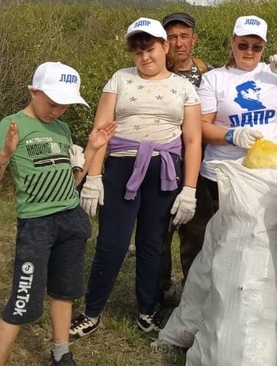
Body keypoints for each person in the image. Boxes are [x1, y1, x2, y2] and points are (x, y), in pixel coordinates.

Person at [70, 17, 202, 339]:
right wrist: (95, 177)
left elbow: (193, 140)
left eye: (151, 49)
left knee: (152, 244)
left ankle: (147, 310)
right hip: (121, 167)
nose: (145, 58)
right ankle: (92, 311)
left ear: (165, 46)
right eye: (138, 51)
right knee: (111, 243)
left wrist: (189, 189)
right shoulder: (120, 79)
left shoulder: (184, 88)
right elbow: (101, 129)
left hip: (163, 171)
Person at [0, 61, 116, 366]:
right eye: (52, 103)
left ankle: (61, 352)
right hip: (36, 225)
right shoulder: (12, 124)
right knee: (22, 300)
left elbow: (73, 182)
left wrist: (93, 149)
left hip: (70, 220)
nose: (56, 111)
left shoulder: (62, 129)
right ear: (33, 91)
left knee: (64, 291)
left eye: (64, 106)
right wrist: (5, 154)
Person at [197, 14, 277, 208]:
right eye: (243, 45)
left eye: (256, 47)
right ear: (233, 43)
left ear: (263, 48)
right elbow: (201, 126)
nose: (249, 51)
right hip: (226, 176)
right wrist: (232, 135)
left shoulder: (274, 74)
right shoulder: (214, 79)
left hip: (273, 172)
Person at [158, 12, 212, 297]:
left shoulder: (208, 73)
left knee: (197, 230)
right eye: (171, 37)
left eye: (184, 36)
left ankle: (193, 292)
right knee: (159, 229)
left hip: (198, 159)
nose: (178, 43)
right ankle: (157, 291)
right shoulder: (153, 71)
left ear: (194, 39)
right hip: (162, 157)